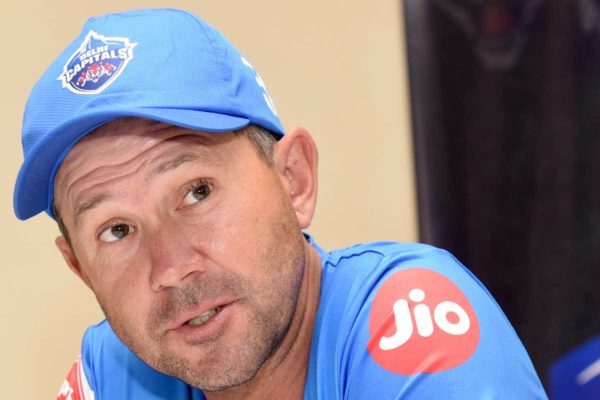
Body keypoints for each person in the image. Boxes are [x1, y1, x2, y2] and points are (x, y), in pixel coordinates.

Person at [13, 8, 547, 400]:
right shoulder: (113, 373)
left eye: (197, 192)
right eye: (117, 230)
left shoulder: (409, 318)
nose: (171, 268)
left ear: (294, 180)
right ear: (81, 268)